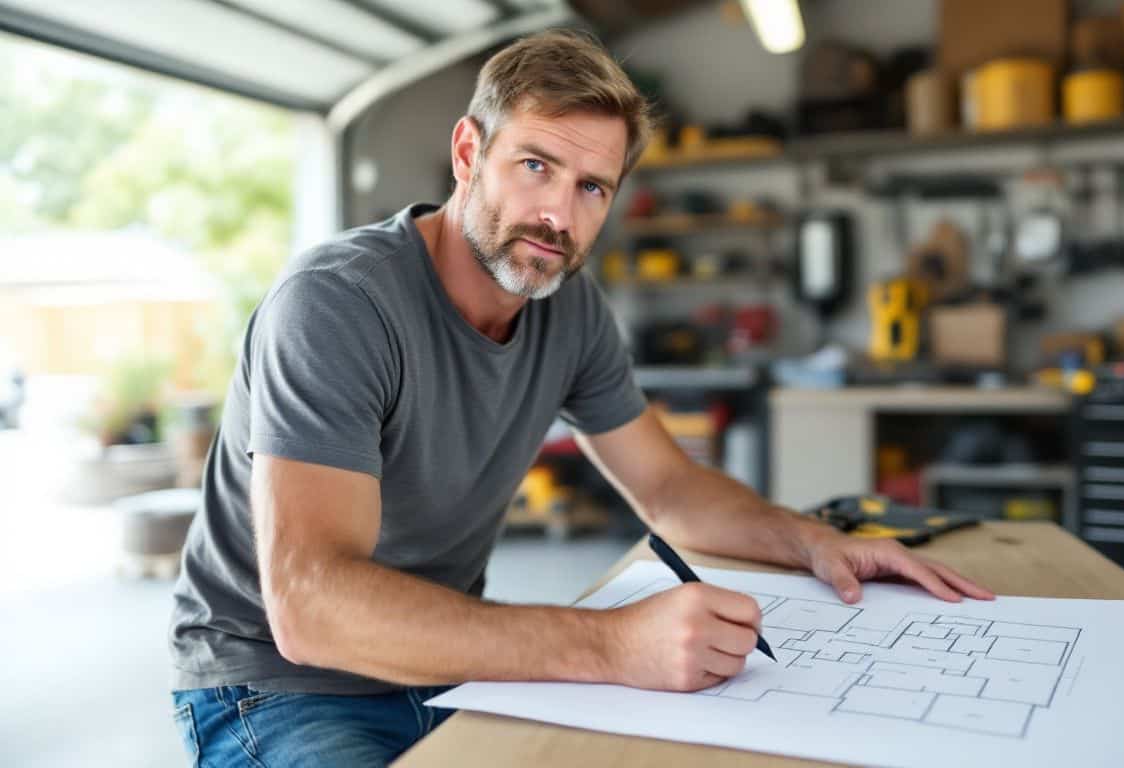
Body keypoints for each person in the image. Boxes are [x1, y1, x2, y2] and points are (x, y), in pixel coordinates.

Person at [168, 28, 993, 767]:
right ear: (467, 153)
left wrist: (813, 543)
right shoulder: (338, 302)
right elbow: (312, 610)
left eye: (593, 187)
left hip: (449, 662)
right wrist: (609, 646)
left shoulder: (569, 307)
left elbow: (669, 488)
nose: (558, 214)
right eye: (536, 166)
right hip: (280, 683)